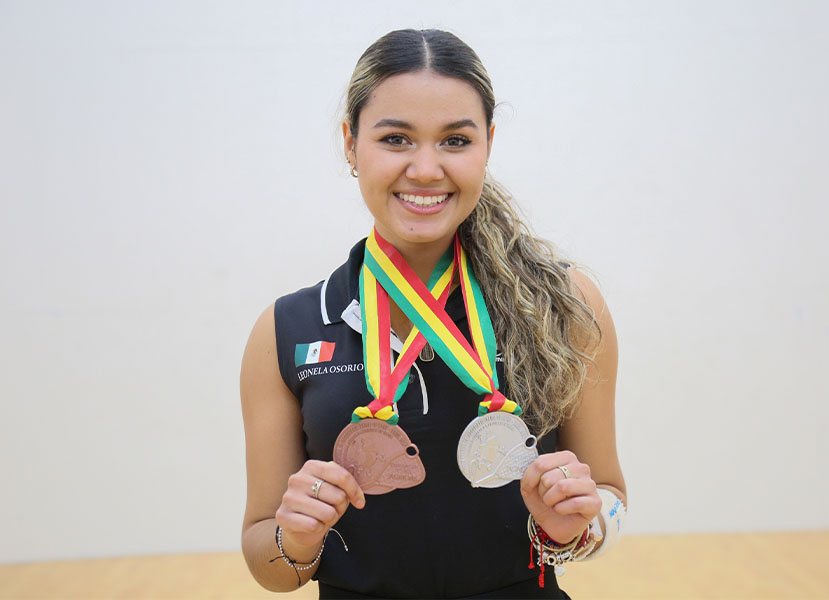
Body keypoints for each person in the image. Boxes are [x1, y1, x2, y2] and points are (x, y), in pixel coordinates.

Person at [240, 28, 626, 599]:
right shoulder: (286, 329)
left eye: (454, 140)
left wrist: (574, 529)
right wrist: (293, 540)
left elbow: (610, 499)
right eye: (395, 139)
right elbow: (267, 561)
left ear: (488, 143)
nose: (425, 169)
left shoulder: (562, 304)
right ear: (350, 143)